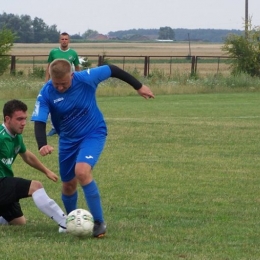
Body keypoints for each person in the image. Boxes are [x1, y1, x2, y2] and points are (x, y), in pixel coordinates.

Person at [31, 59, 154, 238]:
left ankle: (98, 222)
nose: (59, 88)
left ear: (71, 75)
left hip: (93, 132)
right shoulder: (46, 93)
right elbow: (40, 121)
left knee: (82, 171)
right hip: (67, 140)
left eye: (64, 84)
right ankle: (72, 222)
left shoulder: (86, 78)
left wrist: (139, 86)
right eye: (56, 84)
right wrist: (42, 144)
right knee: (68, 185)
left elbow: (112, 69)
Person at [0, 99, 67, 233]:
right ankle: (66, 223)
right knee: (36, 186)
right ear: (7, 119)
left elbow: (27, 155)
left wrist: (46, 171)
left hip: (5, 181)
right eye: (19, 119)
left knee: (19, 223)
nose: (24, 123)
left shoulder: (16, 136)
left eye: (25, 119)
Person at [45, 32, 81, 136]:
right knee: (53, 103)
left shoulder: (73, 53)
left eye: (66, 39)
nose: (64, 41)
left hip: (67, 84)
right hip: (54, 83)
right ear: (59, 40)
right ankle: (54, 127)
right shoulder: (53, 52)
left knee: (69, 104)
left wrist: (78, 81)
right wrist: (46, 81)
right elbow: (48, 67)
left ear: (69, 41)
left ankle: (69, 127)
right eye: (62, 39)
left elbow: (77, 68)